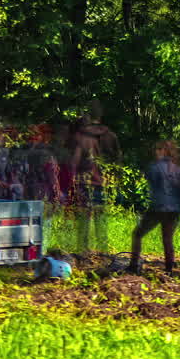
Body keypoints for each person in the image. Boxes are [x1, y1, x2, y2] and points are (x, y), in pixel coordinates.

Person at [128, 140, 180, 274]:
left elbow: (151, 182)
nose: (155, 152)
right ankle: (169, 270)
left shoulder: (154, 167)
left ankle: (133, 266)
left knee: (137, 234)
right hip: (174, 209)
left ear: (164, 151)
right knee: (167, 240)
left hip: (158, 207)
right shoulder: (179, 170)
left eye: (158, 149)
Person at [70, 101, 120, 253]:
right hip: (103, 183)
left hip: (84, 182)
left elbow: (75, 161)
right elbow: (118, 160)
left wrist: (71, 180)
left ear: (88, 115)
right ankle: (103, 251)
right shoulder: (111, 135)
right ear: (101, 115)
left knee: (83, 220)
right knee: (101, 219)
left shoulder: (81, 136)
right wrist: (115, 180)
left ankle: (83, 251)